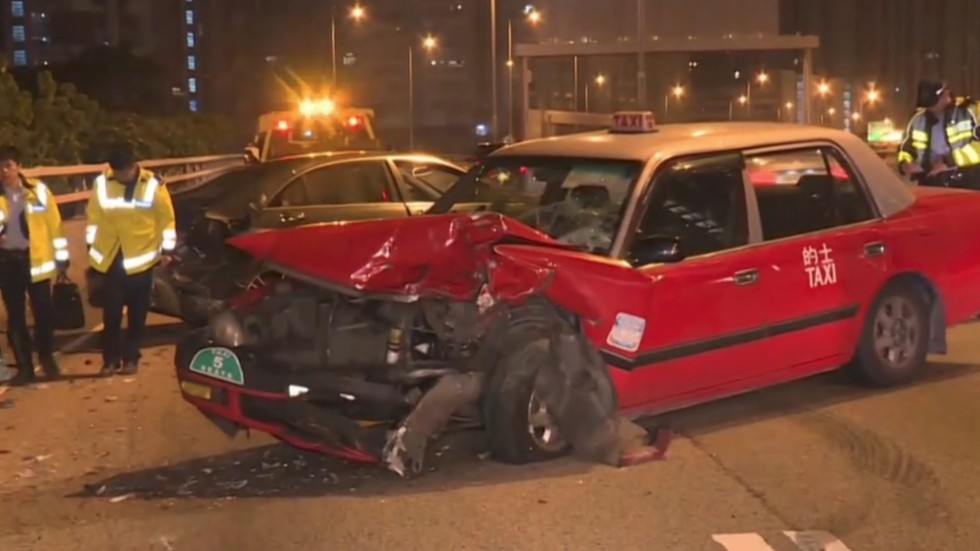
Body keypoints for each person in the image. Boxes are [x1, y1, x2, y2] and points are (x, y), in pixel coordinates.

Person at [85, 143, 176, 376]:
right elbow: (93, 216)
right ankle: (110, 360)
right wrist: (91, 244)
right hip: (112, 257)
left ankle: (131, 358)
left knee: (137, 314)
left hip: (142, 258)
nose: (120, 175)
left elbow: (166, 219)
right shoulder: (102, 183)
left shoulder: (153, 184)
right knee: (111, 314)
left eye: (123, 170)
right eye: (116, 171)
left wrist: (167, 249)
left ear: (134, 165)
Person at [0, 145, 69, 385]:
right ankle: (25, 367)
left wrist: (61, 257)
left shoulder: (39, 190)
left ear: (18, 166)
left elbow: (54, 224)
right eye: (0, 167)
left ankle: (47, 357)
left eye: (8, 165)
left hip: (37, 261)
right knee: (16, 318)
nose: (4, 171)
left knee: (44, 314)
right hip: (7, 262)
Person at [898, 80, 980, 180]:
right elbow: (906, 149)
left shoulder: (970, 112)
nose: (930, 108)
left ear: (946, 94)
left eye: (933, 102)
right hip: (931, 184)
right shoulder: (917, 120)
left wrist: (949, 162)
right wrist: (904, 164)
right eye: (927, 105)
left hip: (968, 182)